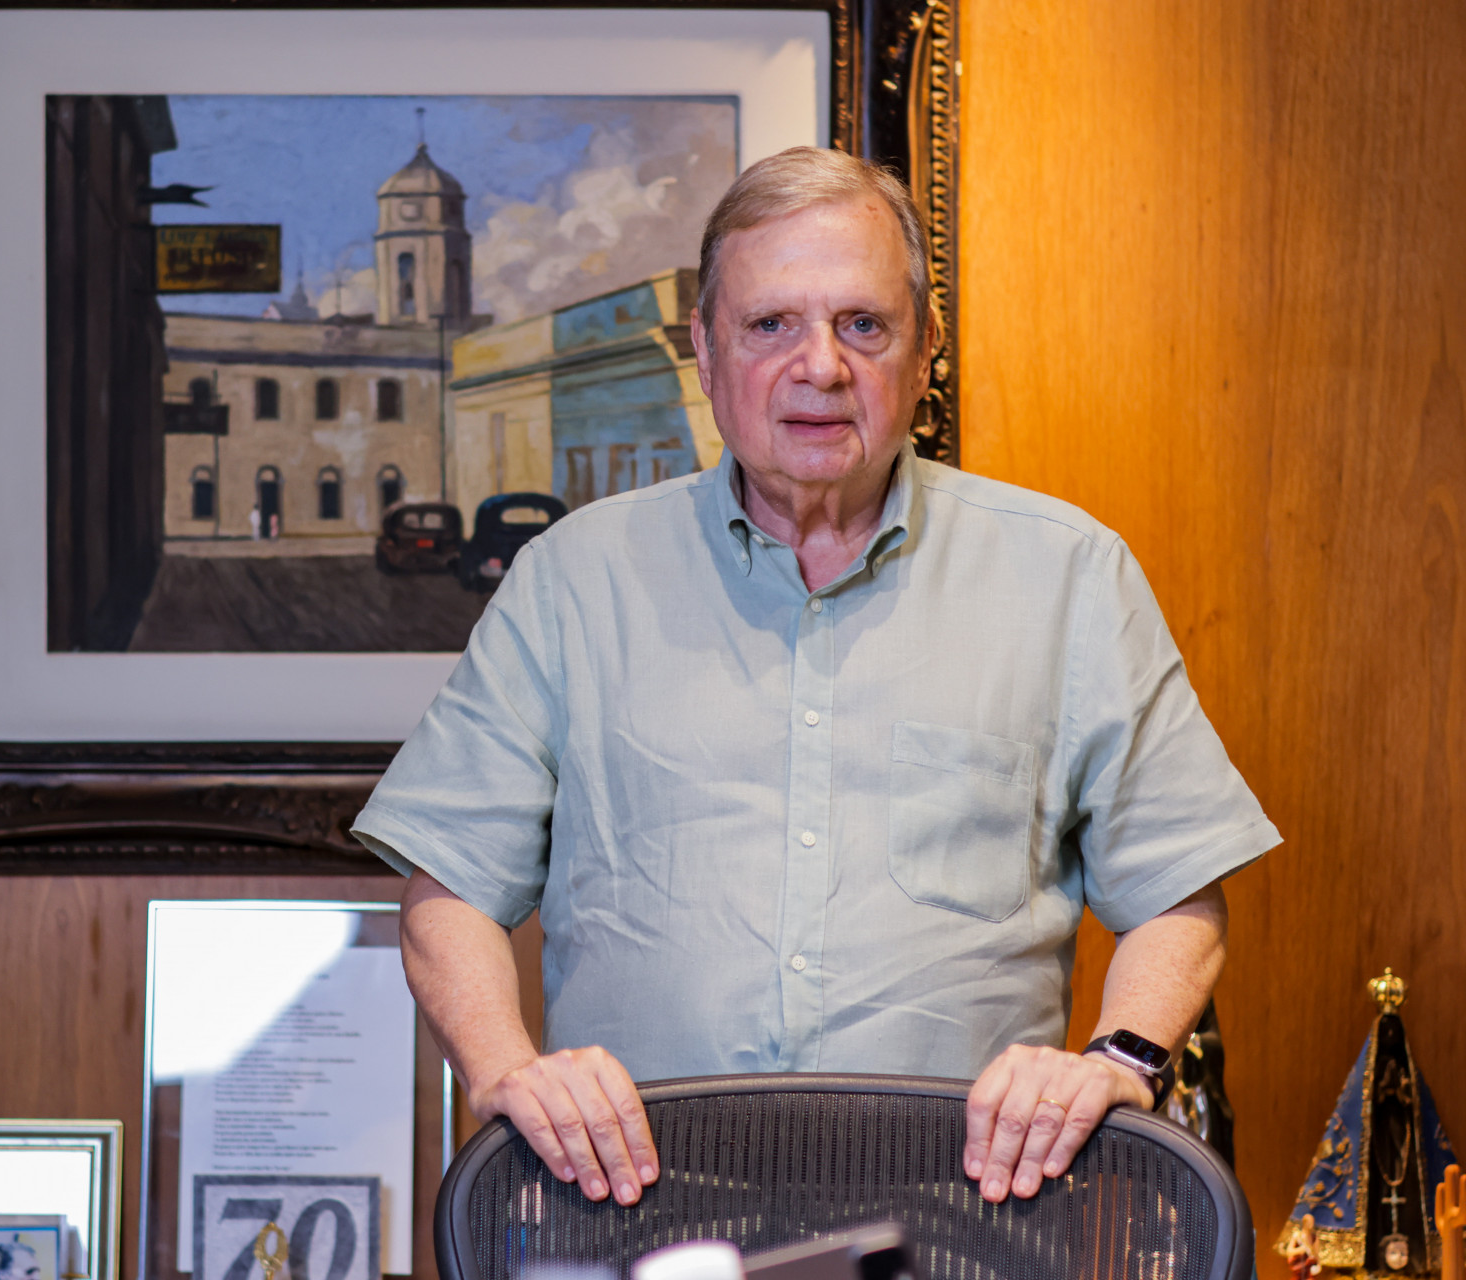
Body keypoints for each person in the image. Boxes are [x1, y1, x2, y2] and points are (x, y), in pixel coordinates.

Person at [352, 147, 1279, 1212]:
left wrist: (1116, 1060)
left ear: (926, 349)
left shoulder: (1068, 573)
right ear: (703, 350)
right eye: (771, 325)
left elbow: (1176, 887)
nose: (821, 366)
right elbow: (450, 883)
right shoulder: (573, 578)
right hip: (628, 1218)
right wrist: (507, 1068)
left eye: (863, 324)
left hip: (967, 1221)